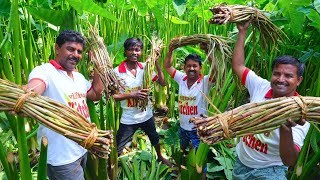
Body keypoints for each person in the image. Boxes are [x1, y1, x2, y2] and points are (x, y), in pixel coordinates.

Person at [231, 20, 310, 179]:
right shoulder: (261, 86)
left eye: (288, 76)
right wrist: (242, 32)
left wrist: (285, 130)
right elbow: (238, 66)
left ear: (299, 80)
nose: (281, 79)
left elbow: (289, 160)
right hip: (241, 163)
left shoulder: (302, 112)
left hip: (268, 172)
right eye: (277, 74)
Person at [27, 30, 104, 180]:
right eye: (70, 49)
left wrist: (98, 66)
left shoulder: (79, 77)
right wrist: (26, 95)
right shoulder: (45, 72)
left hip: (81, 148)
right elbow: (35, 88)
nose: (75, 54)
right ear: (57, 48)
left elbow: (95, 94)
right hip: (61, 156)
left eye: (79, 51)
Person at [113, 37, 172, 167]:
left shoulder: (146, 68)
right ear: (125, 51)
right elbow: (113, 97)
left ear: (141, 52)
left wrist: (156, 63)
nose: (134, 53)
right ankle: (111, 167)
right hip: (129, 118)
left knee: (154, 138)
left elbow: (162, 82)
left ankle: (161, 157)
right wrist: (132, 94)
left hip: (146, 114)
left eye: (137, 50)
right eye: (131, 50)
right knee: (118, 145)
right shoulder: (117, 72)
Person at [164, 44, 215, 154]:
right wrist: (170, 51)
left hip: (198, 129)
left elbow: (215, 73)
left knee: (198, 158)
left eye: (195, 66)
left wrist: (208, 52)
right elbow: (168, 67)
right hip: (183, 127)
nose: (191, 68)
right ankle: (181, 166)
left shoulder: (205, 82)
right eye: (188, 66)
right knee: (182, 150)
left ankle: (201, 171)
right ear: (184, 67)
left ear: (200, 68)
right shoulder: (181, 79)